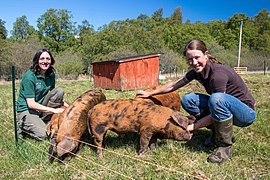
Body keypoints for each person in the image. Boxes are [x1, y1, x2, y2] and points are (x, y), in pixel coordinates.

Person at [137, 39, 256, 164]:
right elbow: (174, 85)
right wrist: (149, 93)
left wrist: (193, 126)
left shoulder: (217, 75)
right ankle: (216, 133)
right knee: (188, 100)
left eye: (197, 57)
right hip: (225, 106)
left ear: (206, 54)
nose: (194, 62)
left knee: (216, 99)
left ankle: (224, 146)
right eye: (189, 59)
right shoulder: (197, 72)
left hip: (245, 114)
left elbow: (217, 105)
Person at [16, 48, 68, 140]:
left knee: (59, 91)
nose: (45, 61)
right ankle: (22, 124)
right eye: (42, 59)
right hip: (27, 109)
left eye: (48, 59)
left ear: (51, 61)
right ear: (37, 60)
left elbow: (53, 93)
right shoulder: (29, 77)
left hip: (41, 105)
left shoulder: (51, 74)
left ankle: (41, 119)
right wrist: (54, 110)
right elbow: (31, 104)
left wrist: (69, 106)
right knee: (44, 134)